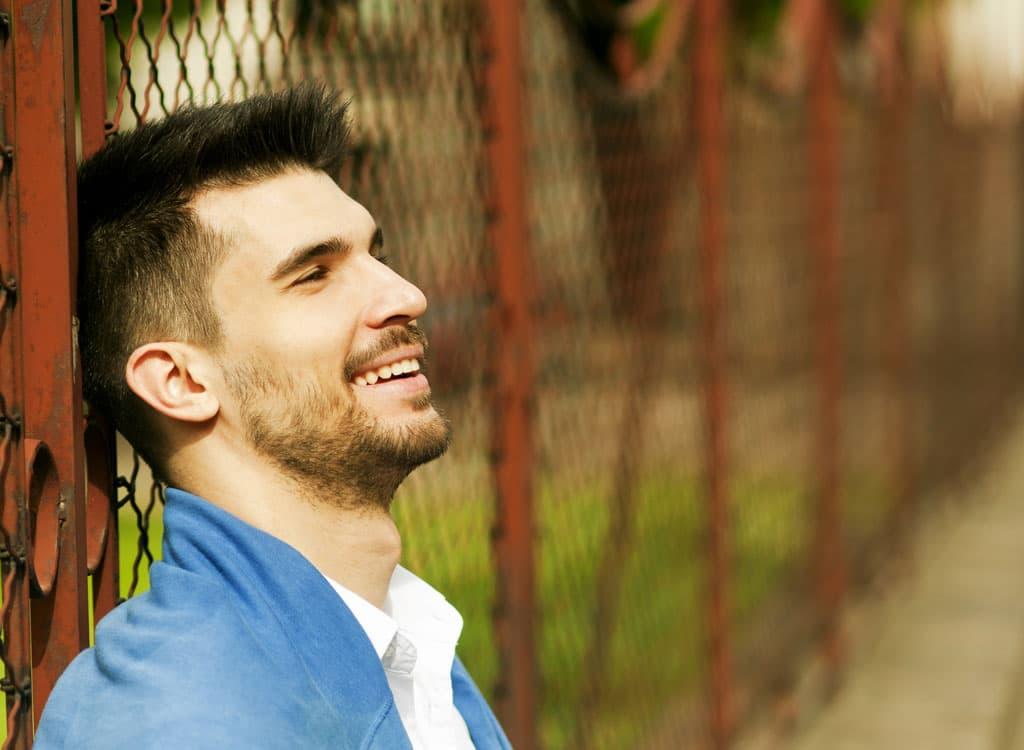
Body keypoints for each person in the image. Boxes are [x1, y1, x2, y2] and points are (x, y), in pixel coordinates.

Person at [35, 84, 510, 750]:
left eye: (376, 254)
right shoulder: (178, 723)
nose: (406, 295)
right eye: (314, 274)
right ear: (180, 381)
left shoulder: (401, 640)